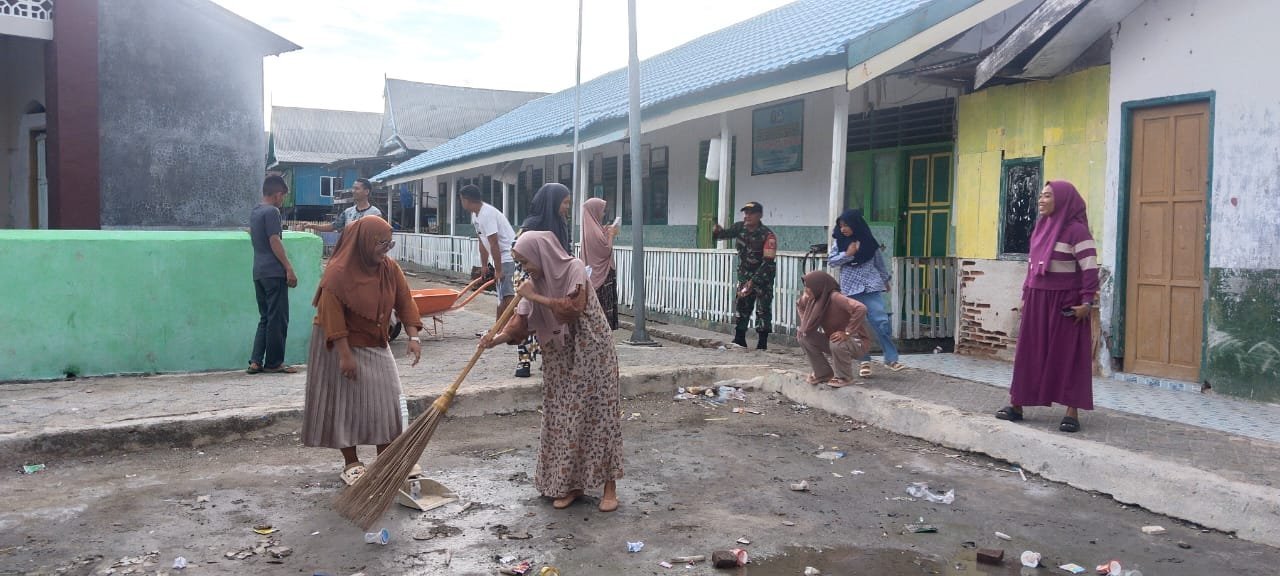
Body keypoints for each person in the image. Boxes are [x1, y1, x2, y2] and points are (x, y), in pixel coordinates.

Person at [481, 231, 623, 512]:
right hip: (558, 356)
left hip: (591, 350)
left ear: (540, 253)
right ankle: (571, 485)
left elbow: (573, 308)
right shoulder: (531, 283)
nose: (525, 268)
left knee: (599, 416)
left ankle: (609, 488)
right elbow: (520, 325)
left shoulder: (573, 268)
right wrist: (493, 340)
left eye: (525, 261)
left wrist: (536, 297)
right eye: (519, 263)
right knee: (563, 418)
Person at [301, 217, 424, 484]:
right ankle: (351, 462)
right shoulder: (337, 273)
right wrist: (345, 356)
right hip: (336, 343)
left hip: (374, 340)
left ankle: (388, 459)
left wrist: (414, 337)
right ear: (364, 241)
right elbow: (331, 318)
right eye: (381, 243)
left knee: (387, 399)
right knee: (343, 403)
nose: (387, 249)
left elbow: (405, 300)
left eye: (389, 243)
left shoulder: (389, 268)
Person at [995, 180, 1098, 434]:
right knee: (1029, 353)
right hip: (1037, 300)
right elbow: (1032, 267)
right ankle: (1017, 405)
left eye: (1047, 196)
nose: (1041, 200)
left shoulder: (1077, 232)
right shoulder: (1041, 228)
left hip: (1066, 303)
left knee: (1069, 356)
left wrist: (1087, 302)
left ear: (1062, 199)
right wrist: (1024, 297)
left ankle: (1072, 412)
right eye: (1040, 196)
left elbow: (1090, 269)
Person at [828, 208, 904, 377]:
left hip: (871, 286)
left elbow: (879, 263)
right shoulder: (839, 242)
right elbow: (831, 261)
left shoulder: (869, 241)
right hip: (850, 290)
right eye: (841, 226)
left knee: (881, 322)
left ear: (856, 225)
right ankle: (864, 360)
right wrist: (847, 255)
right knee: (857, 327)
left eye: (846, 225)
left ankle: (891, 359)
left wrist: (885, 280)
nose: (843, 229)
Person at [510, 183, 573, 377]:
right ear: (552, 203)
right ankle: (524, 361)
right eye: (564, 203)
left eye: (568, 203)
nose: (566, 207)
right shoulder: (531, 225)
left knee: (549, 319)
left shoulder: (561, 224)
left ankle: (548, 357)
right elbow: (516, 250)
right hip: (528, 278)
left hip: (552, 280)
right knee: (527, 317)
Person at [248, 175, 299, 374]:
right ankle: (274, 362)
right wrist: (288, 267)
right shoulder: (272, 212)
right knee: (278, 318)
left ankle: (255, 361)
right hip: (273, 272)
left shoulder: (255, 211)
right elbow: (274, 240)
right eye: (283, 196)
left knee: (265, 318)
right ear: (278, 194)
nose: (283, 200)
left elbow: (254, 234)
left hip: (258, 271)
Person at [712, 201, 777, 350]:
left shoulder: (768, 235)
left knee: (763, 309)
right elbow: (723, 235)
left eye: (751, 213)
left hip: (763, 277)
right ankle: (739, 338)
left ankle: (762, 343)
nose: (747, 216)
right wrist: (716, 231)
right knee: (742, 306)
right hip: (744, 275)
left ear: (759, 215)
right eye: (745, 213)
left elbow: (768, 262)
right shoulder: (739, 227)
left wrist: (753, 282)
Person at [796, 271, 872, 387]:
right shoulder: (814, 299)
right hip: (833, 339)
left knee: (837, 340)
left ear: (818, 286)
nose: (806, 290)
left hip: (856, 342)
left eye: (809, 287)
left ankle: (844, 377)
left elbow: (860, 308)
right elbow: (800, 305)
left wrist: (847, 332)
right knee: (804, 337)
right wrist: (805, 324)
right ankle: (822, 373)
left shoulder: (835, 297)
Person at [459, 185, 517, 321]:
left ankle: (513, 329)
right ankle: (498, 330)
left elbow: (494, 243)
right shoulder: (475, 215)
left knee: (508, 295)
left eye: (462, 200)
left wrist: (498, 269)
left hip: (508, 257)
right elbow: (482, 241)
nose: (461, 203)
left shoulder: (487, 214)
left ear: (467, 200)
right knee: (501, 296)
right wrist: (484, 265)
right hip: (500, 258)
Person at [581, 197, 620, 330]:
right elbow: (605, 250)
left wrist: (605, 231)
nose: (603, 214)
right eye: (602, 210)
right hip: (601, 276)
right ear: (595, 211)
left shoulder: (591, 228)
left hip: (595, 275)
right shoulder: (594, 232)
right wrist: (610, 235)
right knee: (602, 309)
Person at [305, 178, 383, 235]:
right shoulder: (348, 212)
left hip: (365, 254)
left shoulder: (375, 214)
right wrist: (312, 226)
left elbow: (378, 235)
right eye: (353, 188)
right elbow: (333, 226)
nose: (353, 191)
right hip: (348, 252)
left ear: (366, 191)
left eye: (357, 189)